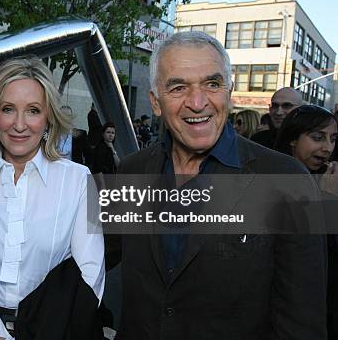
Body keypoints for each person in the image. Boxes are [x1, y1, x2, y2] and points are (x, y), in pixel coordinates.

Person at [116, 31, 327, 339]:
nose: (198, 102)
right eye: (178, 87)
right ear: (155, 102)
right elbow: (84, 259)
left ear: (229, 91)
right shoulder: (130, 171)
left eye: (212, 84)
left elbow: (301, 321)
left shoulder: (288, 180)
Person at [0, 57, 105, 339]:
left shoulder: (82, 180)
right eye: (8, 109)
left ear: (48, 118)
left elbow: (91, 272)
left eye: (33, 110)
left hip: (56, 329)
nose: (19, 124)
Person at [274, 105, 338, 337]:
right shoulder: (274, 182)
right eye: (317, 137)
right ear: (293, 139)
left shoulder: (324, 180)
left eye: (333, 139)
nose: (327, 148)